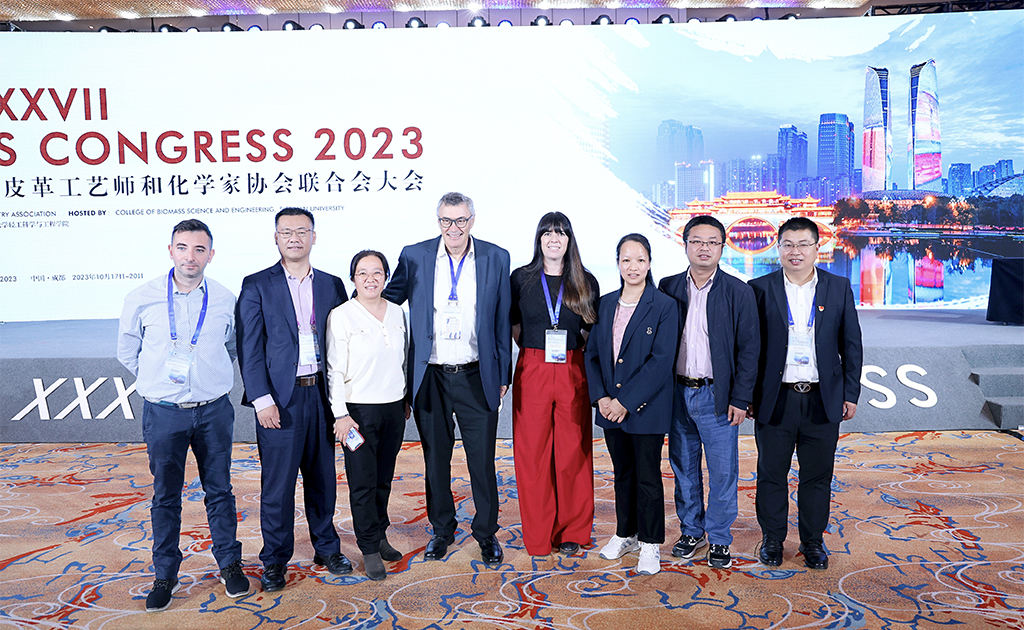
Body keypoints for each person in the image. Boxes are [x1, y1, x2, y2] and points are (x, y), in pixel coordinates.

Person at [116, 219, 248, 612]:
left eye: (199, 249)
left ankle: (229, 564)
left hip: (213, 411)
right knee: (165, 495)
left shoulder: (225, 298)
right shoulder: (142, 297)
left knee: (220, 491)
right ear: (170, 251)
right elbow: (127, 351)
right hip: (163, 413)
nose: (191, 256)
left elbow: (232, 347)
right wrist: (157, 381)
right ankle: (165, 574)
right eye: (183, 247)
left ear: (211, 254)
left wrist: (206, 376)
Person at [382, 191, 512, 567]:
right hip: (431, 377)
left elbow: (502, 318)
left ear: (472, 220)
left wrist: (503, 373)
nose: (453, 228)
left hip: (476, 374)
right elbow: (388, 302)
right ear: (438, 220)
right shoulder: (415, 256)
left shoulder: (496, 257)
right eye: (446, 220)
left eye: (460, 220)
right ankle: (442, 530)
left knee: (481, 461)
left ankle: (486, 533)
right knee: (435, 459)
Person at [236, 207, 351, 592]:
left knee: (323, 479)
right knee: (278, 486)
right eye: (287, 232)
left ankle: (327, 547)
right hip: (279, 402)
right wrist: (261, 399)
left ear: (314, 237)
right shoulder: (257, 284)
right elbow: (249, 348)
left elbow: (342, 343)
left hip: (321, 396)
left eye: (302, 231)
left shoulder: (332, 285)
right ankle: (274, 559)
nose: (294, 238)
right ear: (276, 238)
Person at [749, 216, 863, 570]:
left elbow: (851, 344)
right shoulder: (758, 288)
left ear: (817, 248)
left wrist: (851, 392)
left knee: (817, 475)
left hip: (822, 397)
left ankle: (812, 541)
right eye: (788, 245)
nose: (795, 252)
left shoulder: (838, 286)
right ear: (778, 248)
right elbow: (749, 349)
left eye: (803, 245)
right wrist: (746, 395)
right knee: (771, 473)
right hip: (775, 397)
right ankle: (772, 538)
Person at [658, 216, 759, 569]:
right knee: (683, 468)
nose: (704, 248)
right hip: (676, 394)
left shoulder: (738, 291)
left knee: (722, 472)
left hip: (718, 396)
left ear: (722, 247)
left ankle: (718, 537)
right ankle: (691, 531)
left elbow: (750, 350)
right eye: (697, 241)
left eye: (712, 242)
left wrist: (741, 398)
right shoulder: (668, 287)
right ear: (685, 244)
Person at [584, 233, 677, 576]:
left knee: (648, 477)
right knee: (622, 473)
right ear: (618, 263)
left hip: (645, 409)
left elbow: (661, 362)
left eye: (640, 260)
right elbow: (592, 355)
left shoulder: (664, 305)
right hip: (610, 408)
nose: (633, 266)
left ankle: (650, 543)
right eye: (626, 260)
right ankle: (626, 533)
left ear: (649, 263)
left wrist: (625, 401)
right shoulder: (606, 303)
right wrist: (602, 398)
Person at [510, 212, 600, 557]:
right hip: (533, 367)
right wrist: (537, 351)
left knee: (572, 453)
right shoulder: (521, 278)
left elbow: (589, 329)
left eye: (560, 233)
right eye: (547, 233)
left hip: (572, 369)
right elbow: (515, 325)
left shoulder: (585, 281)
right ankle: (538, 535)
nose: (553, 239)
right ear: (539, 239)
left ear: (569, 240)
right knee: (532, 455)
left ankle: (573, 531)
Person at [325, 250, 409, 581]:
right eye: (363, 273)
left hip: (394, 408)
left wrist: (404, 399)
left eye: (377, 272)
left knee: (383, 479)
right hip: (357, 413)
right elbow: (334, 370)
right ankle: (369, 547)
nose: (370, 279)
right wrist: (340, 415)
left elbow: (402, 359)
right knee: (362, 482)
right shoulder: (342, 315)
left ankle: (380, 534)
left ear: (386, 277)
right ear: (353, 279)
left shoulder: (398, 312)